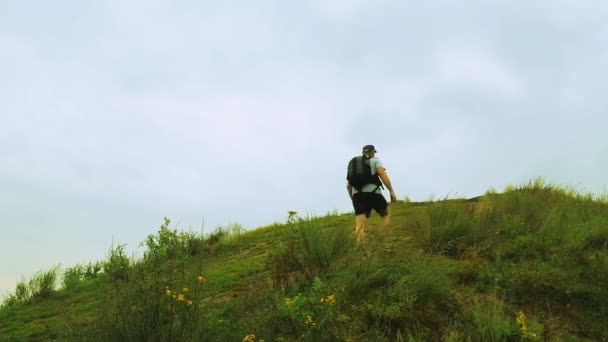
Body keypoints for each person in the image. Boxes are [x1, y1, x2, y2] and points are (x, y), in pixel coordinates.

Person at [347, 144, 397, 243]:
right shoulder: (375, 161)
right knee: (386, 214)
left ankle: (361, 248)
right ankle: (380, 234)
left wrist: (353, 198)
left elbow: (348, 185)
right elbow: (382, 174)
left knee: (360, 224)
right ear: (372, 152)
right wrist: (391, 192)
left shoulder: (355, 165)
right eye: (374, 152)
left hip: (357, 196)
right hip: (374, 194)